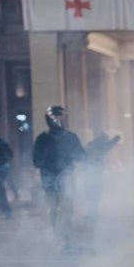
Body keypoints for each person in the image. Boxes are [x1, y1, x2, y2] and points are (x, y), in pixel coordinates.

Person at [33, 106, 86, 247]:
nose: (60, 121)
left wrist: (71, 155)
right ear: (50, 120)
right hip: (49, 180)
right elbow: (36, 160)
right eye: (57, 118)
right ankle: (54, 233)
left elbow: (82, 156)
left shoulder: (71, 137)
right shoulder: (43, 139)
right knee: (52, 207)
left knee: (67, 206)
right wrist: (48, 161)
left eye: (63, 118)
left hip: (66, 178)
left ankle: (66, 234)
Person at [83, 132, 121, 222]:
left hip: (89, 174)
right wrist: (116, 139)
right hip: (95, 175)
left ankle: (91, 213)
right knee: (94, 196)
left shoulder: (90, 145)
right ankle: (92, 214)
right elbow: (108, 146)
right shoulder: (99, 146)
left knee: (92, 196)